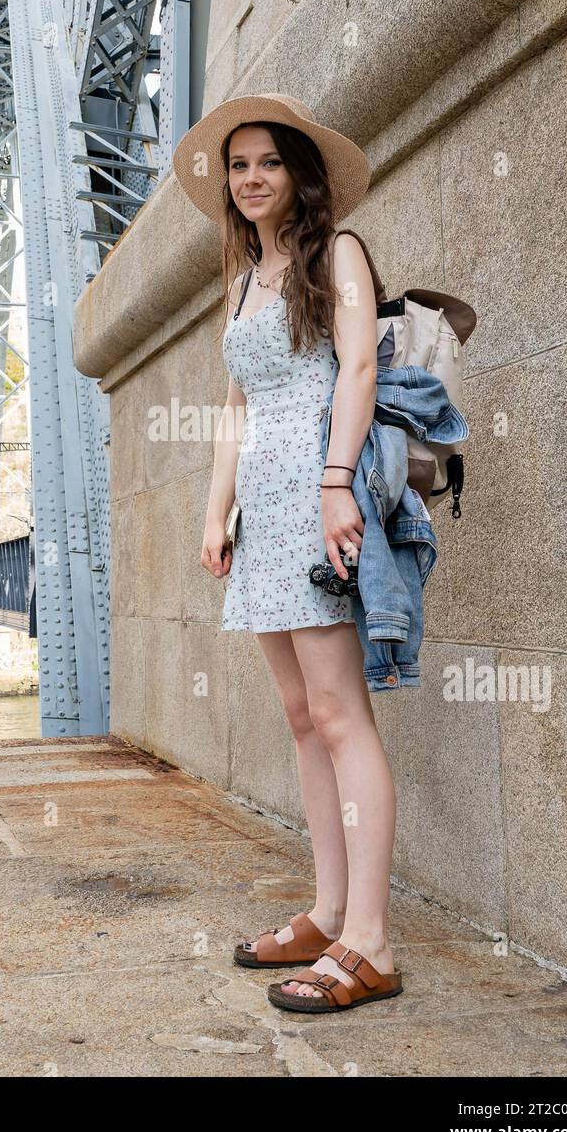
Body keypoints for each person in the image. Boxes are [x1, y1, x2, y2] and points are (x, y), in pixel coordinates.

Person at [172, 93, 403, 1014]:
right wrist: (214, 511)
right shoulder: (244, 278)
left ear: (300, 174)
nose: (251, 178)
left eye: (268, 161)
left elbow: (357, 367)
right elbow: (236, 408)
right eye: (238, 166)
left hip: (318, 493)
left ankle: (372, 944)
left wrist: (337, 481)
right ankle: (329, 911)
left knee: (343, 717)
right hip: (263, 514)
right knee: (303, 719)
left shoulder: (336, 253)